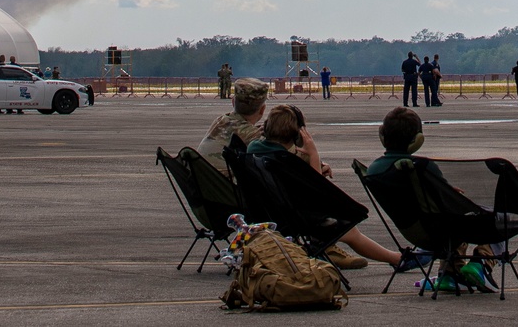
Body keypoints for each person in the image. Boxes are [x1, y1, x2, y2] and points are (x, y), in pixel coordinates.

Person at [249, 106, 430, 274]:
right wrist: (313, 154)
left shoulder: (254, 149)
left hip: (265, 212)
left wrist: (314, 166)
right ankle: (397, 259)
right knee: (350, 231)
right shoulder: (285, 160)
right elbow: (318, 193)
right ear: (297, 136)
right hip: (295, 219)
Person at [366, 106, 495, 292]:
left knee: (448, 218)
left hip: (412, 231)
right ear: (417, 141)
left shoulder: (373, 170)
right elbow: (446, 204)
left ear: (382, 135)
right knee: (492, 216)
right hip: (439, 233)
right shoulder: (420, 168)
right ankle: (482, 263)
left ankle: (451, 273)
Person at [198, 76, 269, 174]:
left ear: (232, 102)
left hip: (204, 183)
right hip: (228, 186)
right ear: (262, 110)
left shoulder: (219, 121)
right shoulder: (252, 135)